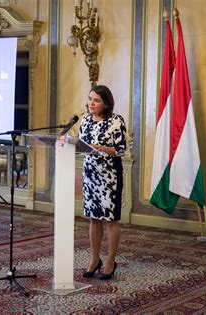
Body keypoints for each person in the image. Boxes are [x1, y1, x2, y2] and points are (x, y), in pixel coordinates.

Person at [79, 84, 127, 280]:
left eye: (96, 100)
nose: (91, 103)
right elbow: (81, 145)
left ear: (106, 104)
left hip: (109, 176)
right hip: (90, 174)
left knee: (110, 219)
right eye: (90, 99)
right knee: (93, 218)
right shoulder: (85, 121)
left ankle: (110, 261)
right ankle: (95, 259)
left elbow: (121, 149)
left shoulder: (116, 121)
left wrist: (100, 147)